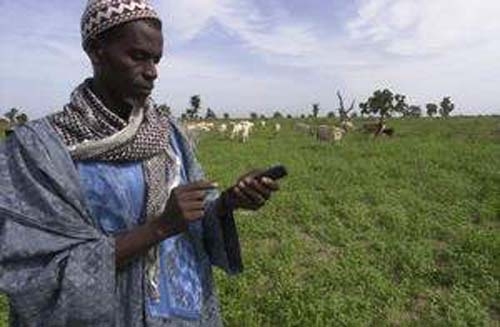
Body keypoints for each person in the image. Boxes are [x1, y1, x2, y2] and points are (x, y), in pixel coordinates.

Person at [0, 0, 281, 326]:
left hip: (186, 313)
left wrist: (226, 203)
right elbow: (36, 270)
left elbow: (195, 211)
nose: (152, 71)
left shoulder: (167, 132)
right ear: (96, 51)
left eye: (156, 59)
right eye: (138, 56)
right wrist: (159, 227)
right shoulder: (40, 149)